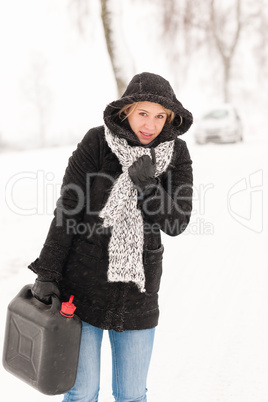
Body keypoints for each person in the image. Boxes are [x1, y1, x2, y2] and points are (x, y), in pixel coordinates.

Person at [29, 72, 193, 401]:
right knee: (81, 392)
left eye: (160, 116)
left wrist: (148, 186)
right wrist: (47, 273)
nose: (151, 125)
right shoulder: (97, 143)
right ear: (126, 112)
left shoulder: (176, 155)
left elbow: (176, 222)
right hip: (82, 289)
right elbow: (69, 208)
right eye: (143, 113)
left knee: (131, 394)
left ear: (170, 119)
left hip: (138, 293)